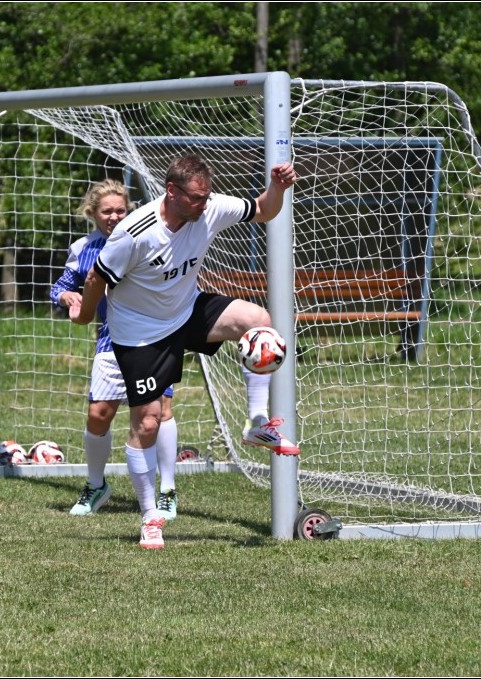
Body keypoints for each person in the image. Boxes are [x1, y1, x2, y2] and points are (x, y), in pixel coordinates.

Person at [70, 153, 298, 550]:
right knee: (147, 422)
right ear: (171, 192)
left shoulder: (208, 209)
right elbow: (95, 277)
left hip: (186, 310)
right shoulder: (134, 232)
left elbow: (263, 210)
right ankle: (149, 518)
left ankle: (257, 422)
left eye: (206, 196)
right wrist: (85, 315)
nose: (204, 204)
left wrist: (277, 188)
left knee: (258, 319)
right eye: (196, 197)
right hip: (140, 334)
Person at [51, 179, 181, 520]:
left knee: (160, 410)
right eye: (107, 211)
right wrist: (67, 296)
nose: (114, 217)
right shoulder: (84, 249)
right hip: (111, 340)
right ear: (92, 213)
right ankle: (96, 486)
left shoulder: (147, 238)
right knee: (99, 414)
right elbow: (61, 287)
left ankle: (166, 490)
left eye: (120, 210)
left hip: (154, 337)